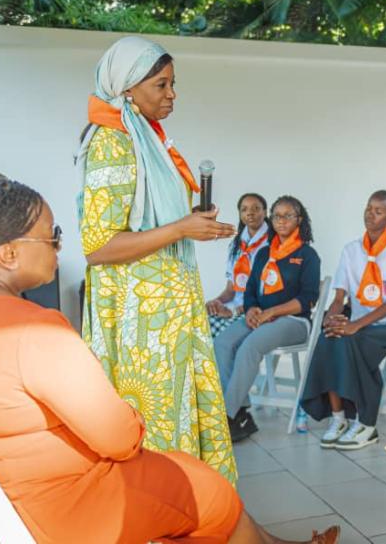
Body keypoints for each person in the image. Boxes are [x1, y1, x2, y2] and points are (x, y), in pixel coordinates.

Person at [0, 179, 339, 544]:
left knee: (192, 484)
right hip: (72, 505)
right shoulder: (35, 330)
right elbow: (119, 438)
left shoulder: (304, 254)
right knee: (210, 491)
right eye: (52, 236)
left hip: (19, 508)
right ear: (8, 254)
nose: (59, 246)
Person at [76, 36, 237, 481]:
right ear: (127, 89)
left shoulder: (144, 137)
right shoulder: (112, 141)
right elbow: (99, 247)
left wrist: (191, 226)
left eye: (172, 84)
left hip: (164, 313)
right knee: (160, 426)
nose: (172, 94)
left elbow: (152, 229)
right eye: (161, 85)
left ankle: (205, 519)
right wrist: (181, 228)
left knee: (181, 417)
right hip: (140, 323)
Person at [301, 190, 386, 451]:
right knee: (329, 337)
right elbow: (339, 295)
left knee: (352, 340)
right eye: (368, 208)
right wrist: (332, 318)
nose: (370, 214)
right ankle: (339, 417)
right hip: (362, 325)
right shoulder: (352, 250)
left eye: (378, 211)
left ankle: (366, 424)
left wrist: (355, 325)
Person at [214, 196, 321, 442]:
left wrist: (272, 312)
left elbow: (307, 299)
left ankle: (227, 418)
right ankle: (240, 411)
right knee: (222, 343)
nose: (281, 221)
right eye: (277, 216)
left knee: (249, 346)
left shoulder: (307, 255)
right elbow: (251, 290)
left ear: (299, 220)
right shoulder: (264, 253)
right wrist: (251, 309)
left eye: (288, 215)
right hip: (260, 317)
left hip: (294, 321)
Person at [207, 193, 271, 338]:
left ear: (265, 212)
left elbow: (274, 288)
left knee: (224, 334)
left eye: (256, 208)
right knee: (201, 323)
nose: (250, 212)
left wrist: (245, 308)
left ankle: (226, 358)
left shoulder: (274, 243)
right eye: (244, 209)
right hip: (236, 308)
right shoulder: (236, 246)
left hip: (260, 310)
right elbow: (231, 289)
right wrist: (217, 302)